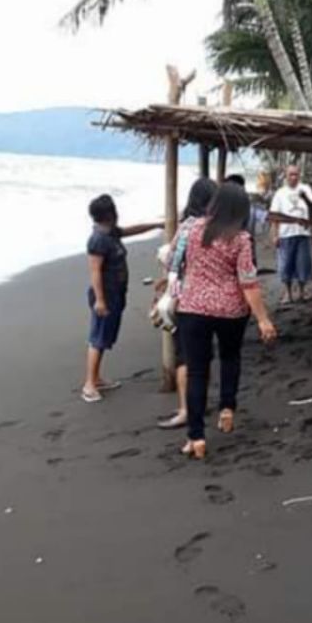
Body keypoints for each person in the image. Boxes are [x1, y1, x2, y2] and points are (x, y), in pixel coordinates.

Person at [176, 182, 278, 459]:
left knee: (197, 371)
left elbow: (173, 257)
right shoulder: (241, 238)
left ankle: (196, 437)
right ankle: (227, 408)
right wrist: (263, 319)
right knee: (230, 357)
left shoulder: (191, 228)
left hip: (193, 307)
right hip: (230, 310)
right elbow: (248, 281)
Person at [82, 194, 164, 403]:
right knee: (98, 338)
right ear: (109, 214)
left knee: (106, 337)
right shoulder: (98, 239)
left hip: (116, 293)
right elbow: (95, 272)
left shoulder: (111, 233)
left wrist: (157, 225)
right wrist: (100, 300)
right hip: (105, 295)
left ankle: (97, 378)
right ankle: (89, 384)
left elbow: (131, 230)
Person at [156, 177, 217, 429]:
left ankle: (184, 408)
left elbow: (171, 260)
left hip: (186, 299)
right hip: (211, 299)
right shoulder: (217, 228)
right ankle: (196, 405)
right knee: (202, 356)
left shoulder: (187, 227)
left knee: (185, 357)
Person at [269, 164, 312, 304]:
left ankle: (302, 292)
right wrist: (275, 235)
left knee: (303, 264)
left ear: (299, 175)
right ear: (286, 176)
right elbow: (274, 216)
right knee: (285, 265)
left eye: (296, 174)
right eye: (291, 174)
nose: (293, 177)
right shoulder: (280, 193)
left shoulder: (306, 189)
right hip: (286, 235)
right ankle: (288, 293)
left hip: (303, 233)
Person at [225, 174, 268, 268]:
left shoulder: (251, 209)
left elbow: (267, 216)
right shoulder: (219, 210)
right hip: (227, 260)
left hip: (247, 258)